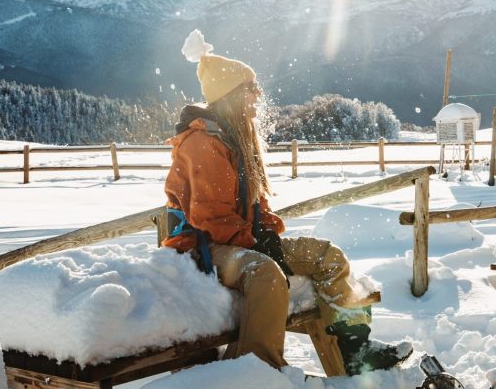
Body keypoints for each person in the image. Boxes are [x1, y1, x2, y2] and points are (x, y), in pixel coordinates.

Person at [162, 30, 412, 375]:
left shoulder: (234, 137)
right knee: (266, 274)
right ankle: (257, 373)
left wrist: (266, 230)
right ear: (232, 95)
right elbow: (212, 218)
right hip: (203, 248)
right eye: (251, 88)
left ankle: (356, 349)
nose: (258, 95)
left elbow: (252, 207)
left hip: (238, 242)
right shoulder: (203, 143)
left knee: (327, 256)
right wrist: (259, 245)